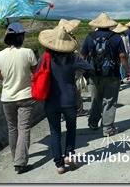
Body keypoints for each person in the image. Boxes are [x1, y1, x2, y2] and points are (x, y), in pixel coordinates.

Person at [37, 25, 94, 174]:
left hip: (51, 100)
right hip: (69, 99)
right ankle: (69, 154)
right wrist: (84, 78)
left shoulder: (45, 58)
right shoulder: (72, 58)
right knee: (71, 128)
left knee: (55, 132)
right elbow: (89, 68)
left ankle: (59, 165)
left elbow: (37, 74)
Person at [0, 22, 37, 174]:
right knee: (24, 128)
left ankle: (16, 158)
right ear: (20, 36)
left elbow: (1, 76)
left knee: (12, 128)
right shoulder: (28, 53)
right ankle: (21, 162)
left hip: (7, 98)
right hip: (25, 96)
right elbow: (35, 73)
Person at [80, 12, 130, 137]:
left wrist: (84, 71)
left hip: (94, 74)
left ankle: (93, 123)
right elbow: (122, 56)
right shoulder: (116, 37)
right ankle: (107, 128)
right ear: (110, 25)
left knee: (96, 99)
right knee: (110, 101)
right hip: (112, 74)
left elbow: (82, 56)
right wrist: (127, 70)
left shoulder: (89, 37)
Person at [57, 19, 87, 116]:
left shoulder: (57, 40)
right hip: (71, 67)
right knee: (75, 89)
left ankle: (62, 113)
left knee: (61, 90)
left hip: (60, 68)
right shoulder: (70, 40)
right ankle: (78, 109)